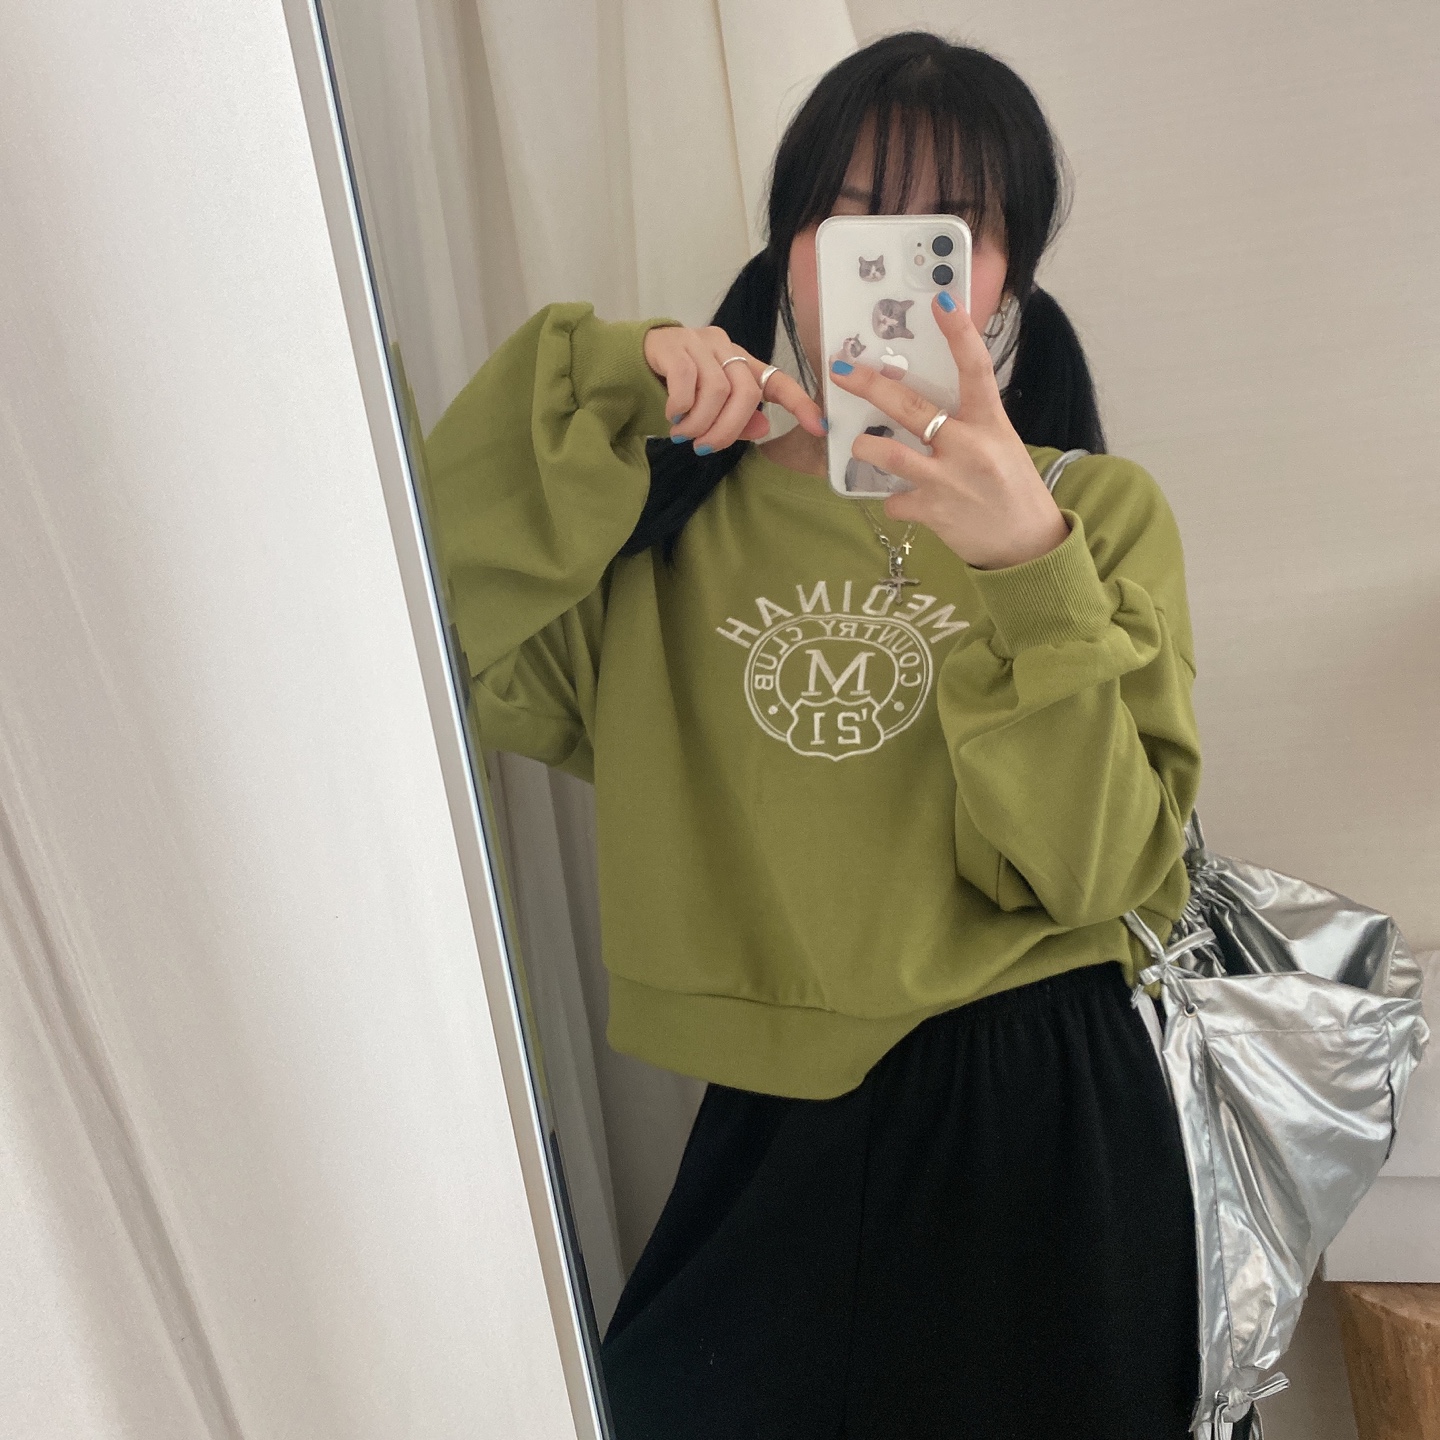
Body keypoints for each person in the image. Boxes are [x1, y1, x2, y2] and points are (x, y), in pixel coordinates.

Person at [424, 30, 1225, 1440]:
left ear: (1009, 278)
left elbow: (1104, 870)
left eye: (947, 232)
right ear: (788, 247)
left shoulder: (1095, 514)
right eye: (848, 218)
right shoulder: (663, 517)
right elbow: (422, 620)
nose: (888, 262)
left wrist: (1026, 564)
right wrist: (613, 382)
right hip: (771, 1114)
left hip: (1041, 1105)